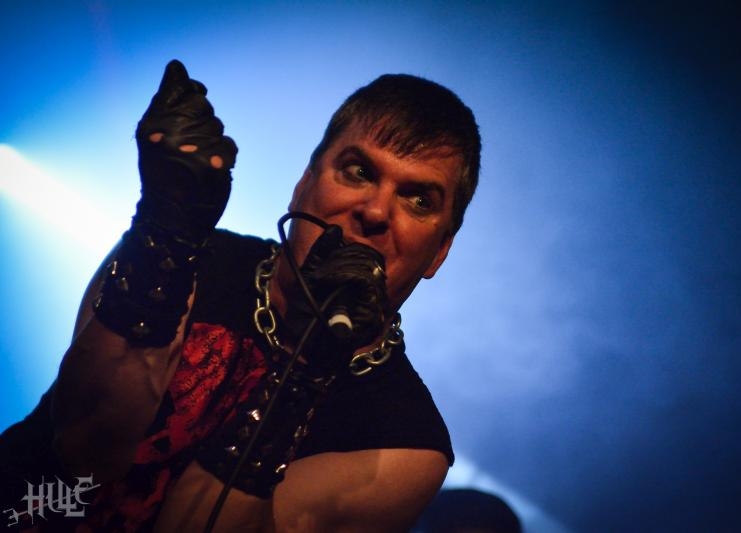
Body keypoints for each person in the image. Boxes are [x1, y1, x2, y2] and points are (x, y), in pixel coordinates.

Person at [0, 59, 480, 532]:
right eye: (358, 172)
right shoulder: (190, 253)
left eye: (418, 199)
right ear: (303, 183)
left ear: (440, 251)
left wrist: (305, 370)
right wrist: (164, 235)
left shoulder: (405, 446)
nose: (375, 211)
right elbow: (86, 450)